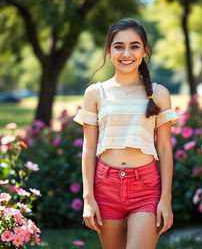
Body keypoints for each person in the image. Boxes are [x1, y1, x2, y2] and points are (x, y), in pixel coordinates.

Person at [73, 17, 180, 249]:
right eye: (119, 46)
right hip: (105, 186)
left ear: (145, 51)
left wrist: (166, 199)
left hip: (146, 188)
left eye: (134, 46)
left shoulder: (159, 94)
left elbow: (164, 148)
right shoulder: (95, 92)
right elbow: (89, 147)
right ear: (109, 51)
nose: (126, 53)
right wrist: (88, 198)